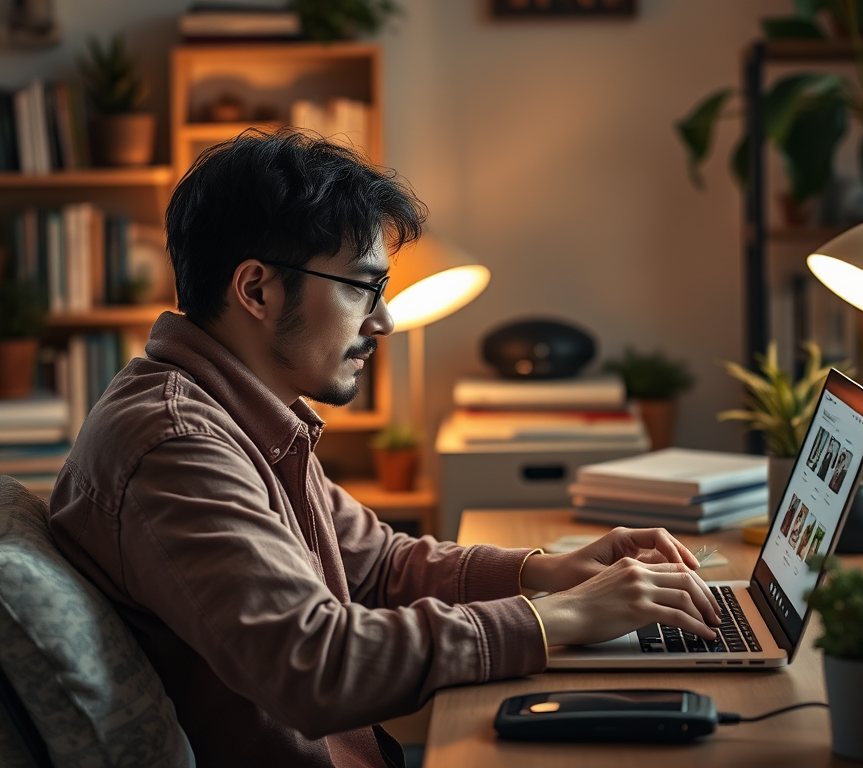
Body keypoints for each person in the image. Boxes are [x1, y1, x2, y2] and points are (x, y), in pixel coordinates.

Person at [47, 129, 721, 768]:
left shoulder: (240, 413)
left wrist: (549, 572)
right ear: (256, 288)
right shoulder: (179, 448)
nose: (385, 320)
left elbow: (379, 566)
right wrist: (559, 618)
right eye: (363, 287)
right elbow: (316, 666)